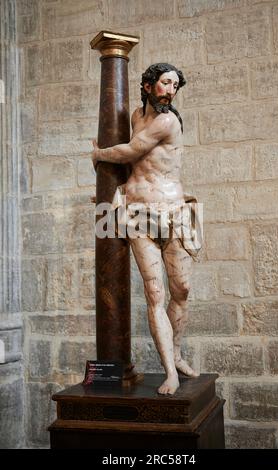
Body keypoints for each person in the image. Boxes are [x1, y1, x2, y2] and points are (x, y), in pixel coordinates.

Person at [92, 63, 202, 395]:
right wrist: (111, 189)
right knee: (154, 293)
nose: (171, 90)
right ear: (148, 85)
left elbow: (131, 151)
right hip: (138, 215)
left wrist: (98, 154)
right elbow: (135, 163)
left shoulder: (168, 121)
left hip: (173, 212)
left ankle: (178, 353)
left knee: (180, 289)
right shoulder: (137, 118)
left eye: (175, 86)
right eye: (165, 83)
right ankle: (169, 370)